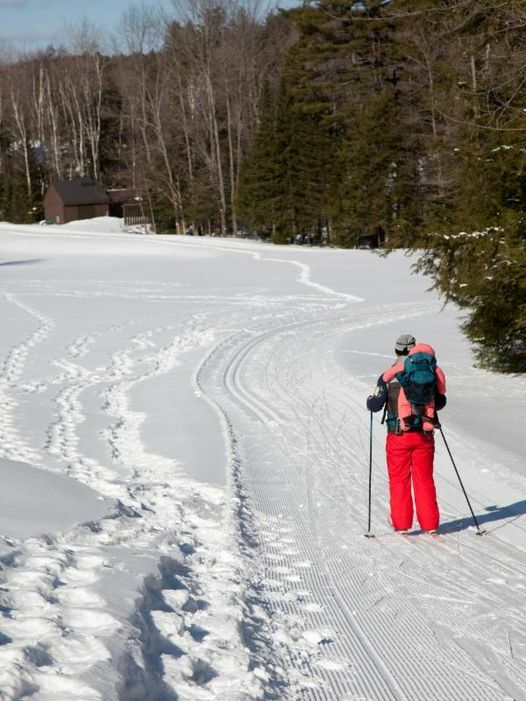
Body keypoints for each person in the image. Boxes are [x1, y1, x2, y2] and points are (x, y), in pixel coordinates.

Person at [366, 334, 447, 534]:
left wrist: (372, 398)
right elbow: (441, 402)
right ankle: (430, 525)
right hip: (424, 435)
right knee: (424, 478)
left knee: (399, 478)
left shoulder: (390, 374)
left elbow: (374, 405)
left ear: (396, 351)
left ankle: (401, 525)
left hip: (398, 435)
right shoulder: (429, 370)